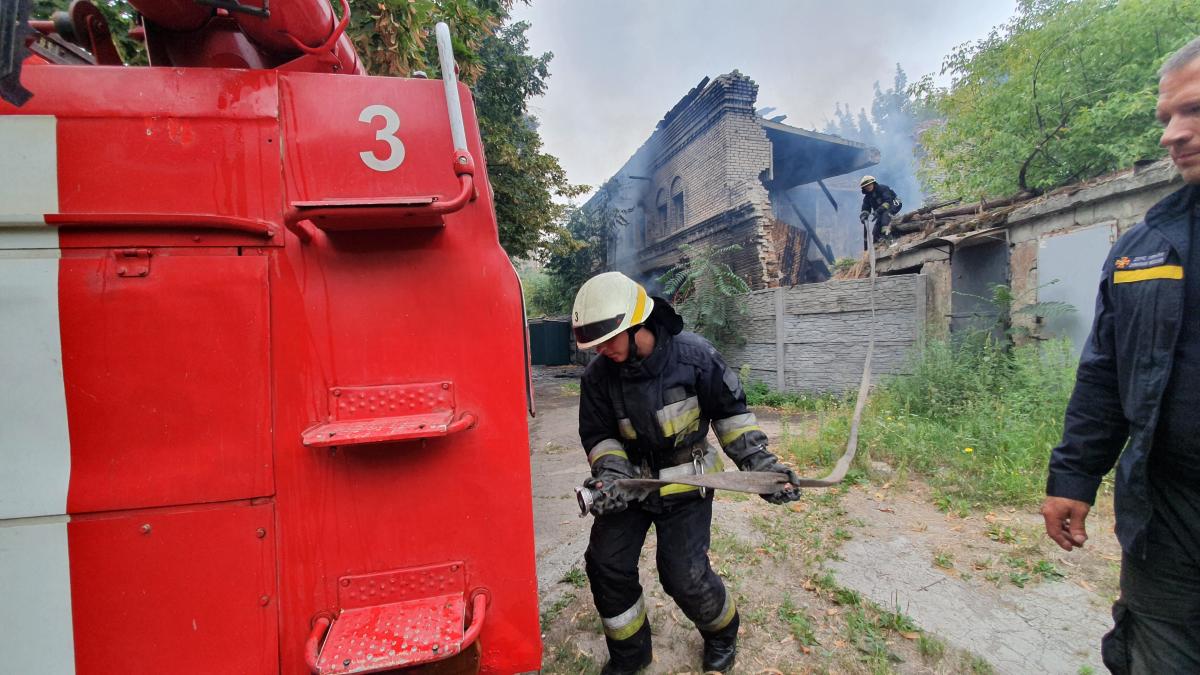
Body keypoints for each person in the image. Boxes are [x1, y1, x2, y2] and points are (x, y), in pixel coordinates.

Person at [1041, 36, 1200, 674]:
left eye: (1192, 113)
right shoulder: (1146, 249)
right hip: (1169, 521)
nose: (1170, 135)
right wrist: (1074, 478)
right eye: (1166, 118)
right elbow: (1104, 375)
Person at [571, 271, 802, 674]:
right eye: (595, 345)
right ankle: (630, 655)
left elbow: (732, 417)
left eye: (608, 340)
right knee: (606, 563)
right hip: (630, 486)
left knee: (682, 574)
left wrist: (760, 468)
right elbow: (599, 435)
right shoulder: (597, 378)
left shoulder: (694, 357)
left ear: (636, 325)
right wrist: (610, 475)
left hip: (686, 484)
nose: (601, 351)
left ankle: (722, 634)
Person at [858, 175, 902, 249]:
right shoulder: (867, 197)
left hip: (894, 204)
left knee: (885, 221)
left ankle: (891, 241)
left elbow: (888, 202)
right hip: (881, 211)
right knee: (875, 232)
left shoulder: (883, 188)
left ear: (873, 183)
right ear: (864, 188)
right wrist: (863, 216)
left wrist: (877, 212)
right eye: (866, 186)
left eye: (869, 184)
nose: (868, 187)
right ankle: (877, 246)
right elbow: (865, 208)